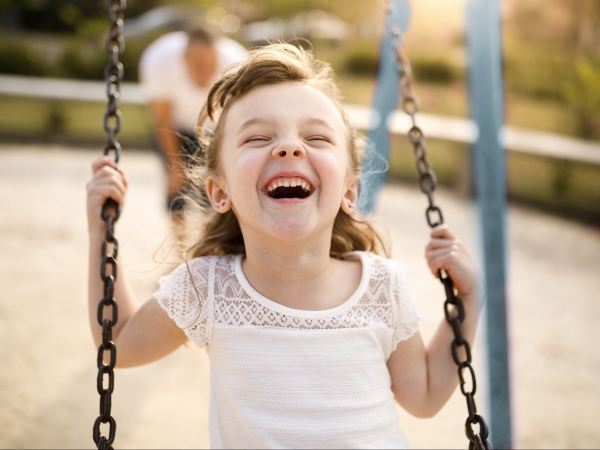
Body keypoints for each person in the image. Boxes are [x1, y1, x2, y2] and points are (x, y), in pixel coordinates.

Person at [87, 44, 482, 448]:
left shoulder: (381, 285)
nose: (290, 147)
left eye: (316, 136)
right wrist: (101, 230)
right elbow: (117, 344)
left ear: (350, 191)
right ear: (219, 192)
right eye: (258, 137)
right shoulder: (209, 288)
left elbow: (425, 396)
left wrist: (468, 301)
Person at [139, 24, 247, 211]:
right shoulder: (159, 61)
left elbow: (239, 118)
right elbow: (163, 119)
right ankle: (179, 240)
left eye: (209, 66)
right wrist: (175, 166)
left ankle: (213, 238)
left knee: (216, 190)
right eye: (198, 66)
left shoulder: (236, 64)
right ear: (184, 58)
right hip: (175, 127)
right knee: (176, 191)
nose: (204, 74)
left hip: (216, 130)